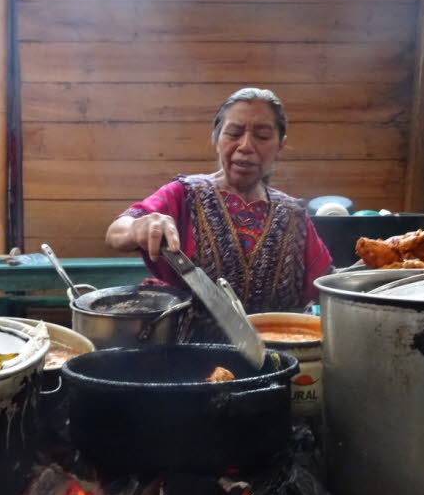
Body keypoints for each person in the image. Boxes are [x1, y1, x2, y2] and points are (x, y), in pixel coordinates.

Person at [106, 87, 333, 340]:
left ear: (280, 144)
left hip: (274, 356)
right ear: (217, 139)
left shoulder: (293, 215)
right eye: (234, 133)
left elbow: (327, 283)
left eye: (263, 136)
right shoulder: (184, 194)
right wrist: (139, 227)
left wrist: (375, 264)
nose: (246, 146)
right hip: (185, 352)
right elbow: (117, 232)